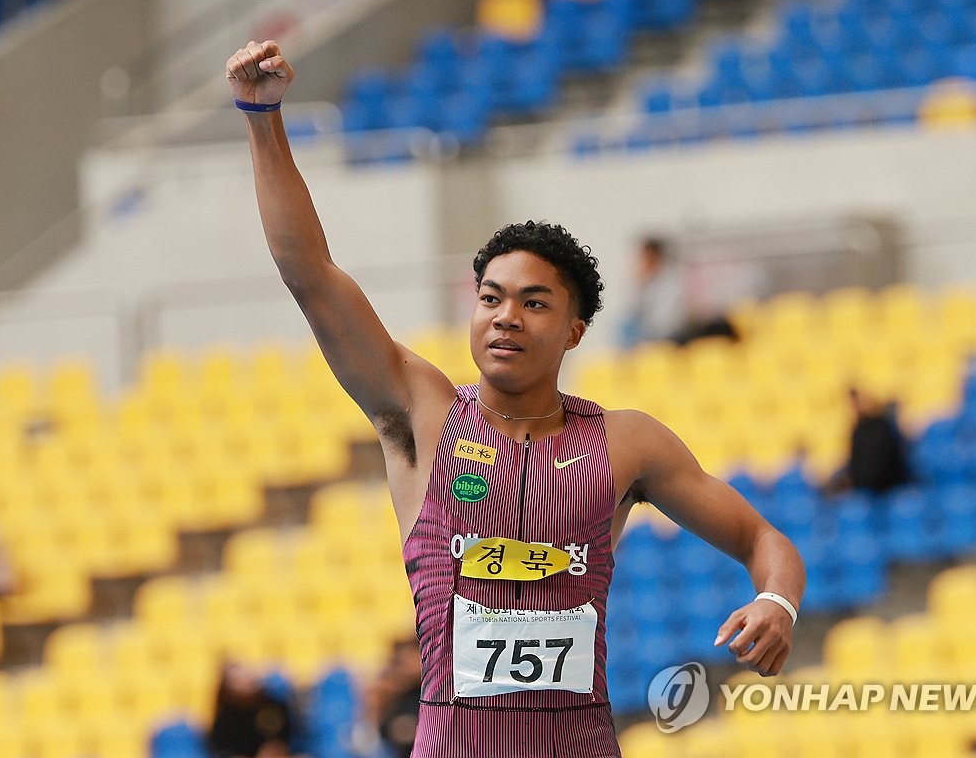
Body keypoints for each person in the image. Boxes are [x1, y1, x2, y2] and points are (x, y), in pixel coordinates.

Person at [227, 40, 806, 757]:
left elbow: (762, 540)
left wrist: (775, 599)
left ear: (574, 328)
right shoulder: (422, 412)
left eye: (533, 303)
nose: (505, 316)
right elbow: (311, 275)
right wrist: (261, 118)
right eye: (491, 298)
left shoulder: (629, 443)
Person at [826, 388, 910, 495]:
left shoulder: (882, 427)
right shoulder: (857, 430)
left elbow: (886, 463)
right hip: (864, 484)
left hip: (884, 485)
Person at [207, 663, 297, 758]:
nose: (245, 680)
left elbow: (282, 743)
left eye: (245, 674)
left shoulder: (275, 707)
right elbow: (223, 749)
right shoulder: (225, 720)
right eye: (237, 679)